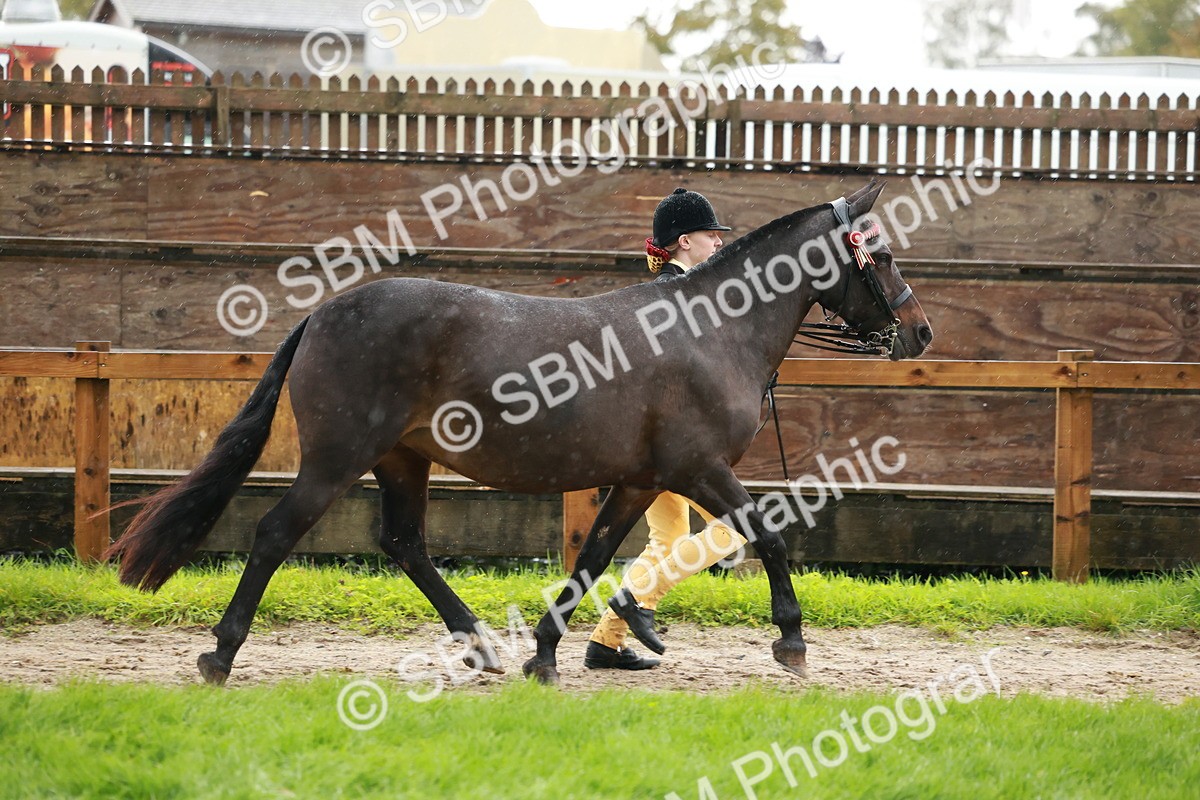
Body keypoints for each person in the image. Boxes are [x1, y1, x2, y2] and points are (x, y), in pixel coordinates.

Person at [583, 188, 751, 671]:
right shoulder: (678, 300)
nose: (718, 244)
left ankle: (607, 643)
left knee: (670, 540)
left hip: (661, 447)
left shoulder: (679, 296)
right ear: (683, 242)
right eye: (710, 235)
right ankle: (636, 598)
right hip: (672, 452)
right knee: (738, 526)